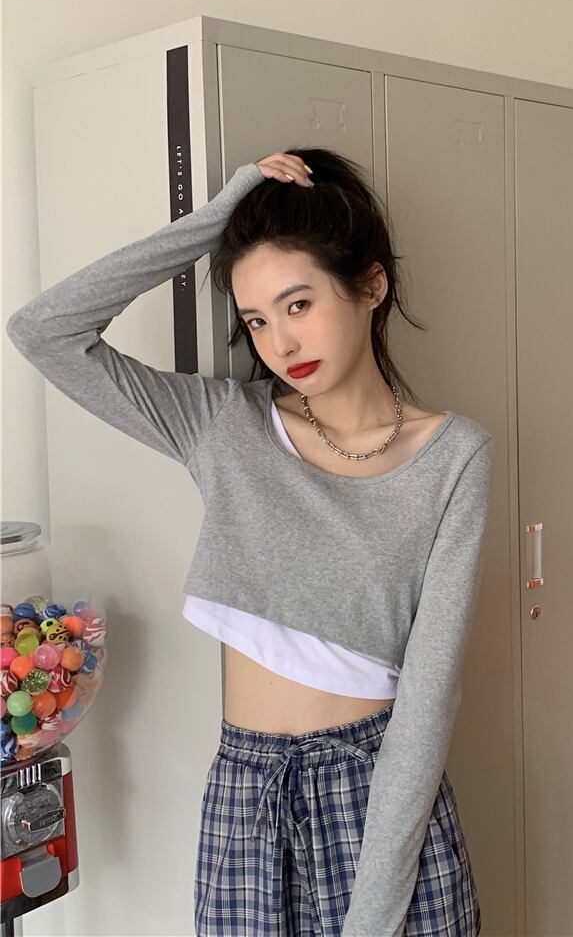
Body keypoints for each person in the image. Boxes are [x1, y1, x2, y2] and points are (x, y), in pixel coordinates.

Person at [6, 148, 493, 936]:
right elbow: (43, 331)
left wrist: (373, 916)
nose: (280, 343)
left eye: (298, 304)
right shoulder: (223, 427)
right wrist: (213, 223)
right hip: (246, 793)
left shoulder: (454, 455)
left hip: (380, 795)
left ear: (371, 285)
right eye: (258, 320)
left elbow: (430, 697)